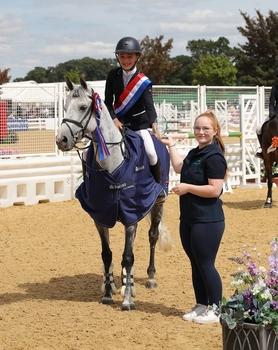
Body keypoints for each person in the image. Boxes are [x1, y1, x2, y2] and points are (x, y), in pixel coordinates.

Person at [159, 110, 227, 324]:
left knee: (206, 264)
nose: (200, 132)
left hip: (208, 219)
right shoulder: (195, 153)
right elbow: (180, 167)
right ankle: (201, 305)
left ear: (215, 131)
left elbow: (215, 190)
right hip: (189, 218)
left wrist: (188, 187)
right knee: (196, 264)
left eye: (205, 128)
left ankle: (216, 309)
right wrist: (171, 145)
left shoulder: (214, 156)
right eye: (197, 128)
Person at [104, 36, 166, 203]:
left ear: (137, 57)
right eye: (122, 56)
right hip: (117, 125)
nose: (125, 60)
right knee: (92, 149)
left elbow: (149, 106)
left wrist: (153, 122)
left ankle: (158, 189)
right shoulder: (112, 75)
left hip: (139, 126)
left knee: (151, 153)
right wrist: (114, 119)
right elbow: (108, 102)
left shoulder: (143, 81)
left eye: (129, 56)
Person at [255, 67, 278, 159]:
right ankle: (262, 150)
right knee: (259, 128)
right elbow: (272, 102)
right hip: (276, 112)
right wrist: (271, 112)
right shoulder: (275, 88)